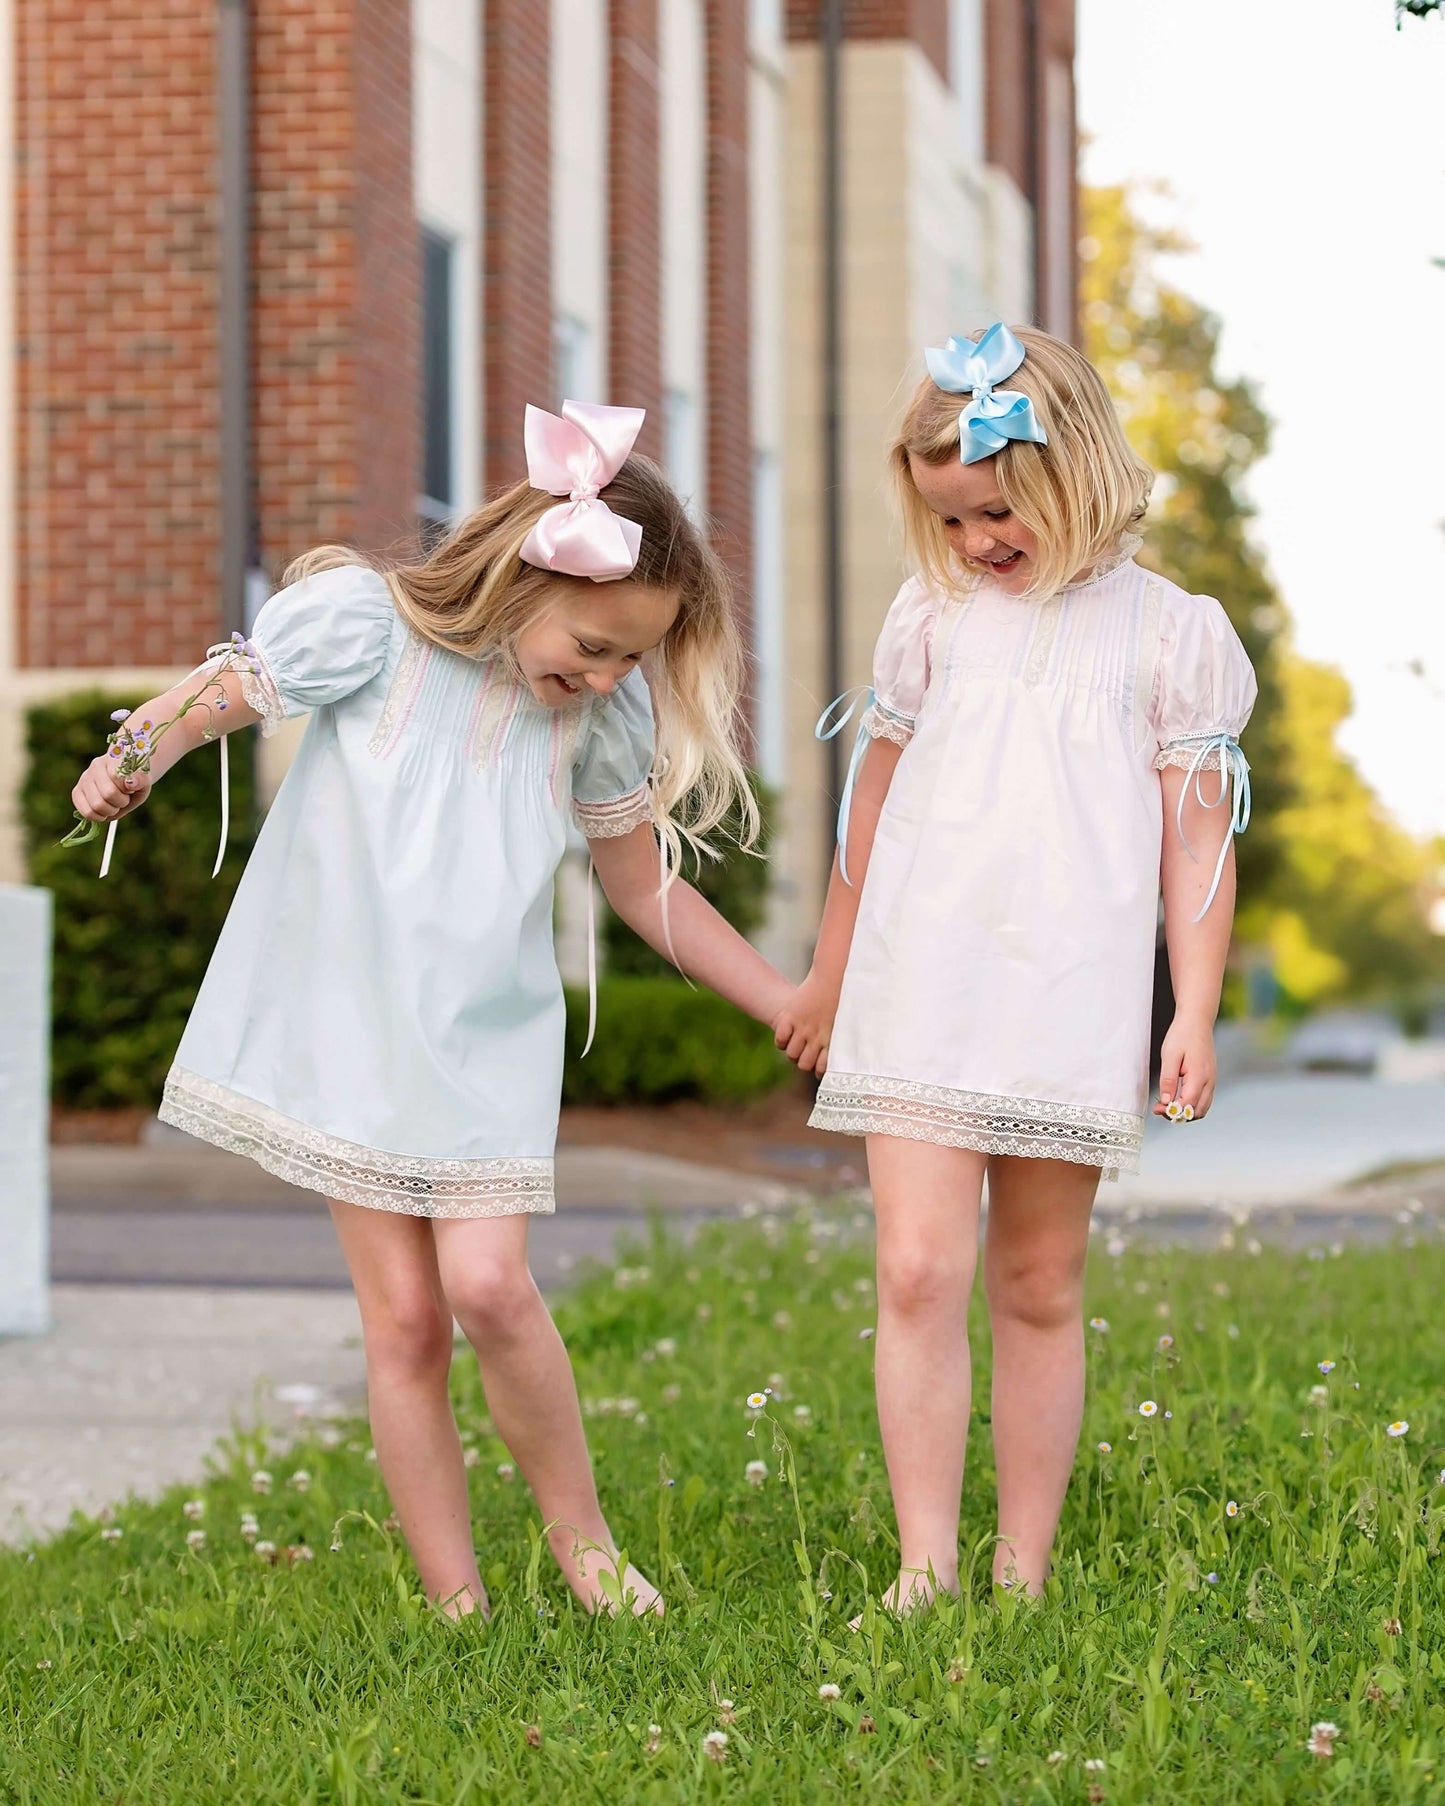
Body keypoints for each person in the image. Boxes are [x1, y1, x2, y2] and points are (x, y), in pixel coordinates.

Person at [71, 401, 795, 1619]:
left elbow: (640, 884)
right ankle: (456, 1604)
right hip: (354, 1025)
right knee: (405, 1319)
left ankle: (587, 1547)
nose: (609, 674)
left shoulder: (595, 720)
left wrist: (782, 998)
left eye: (633, 658)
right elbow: (222, 694)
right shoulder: (371, 632)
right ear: (525, 578)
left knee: (492, 1290)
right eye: (595, 641)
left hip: (482, 1036)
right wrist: (136, 754)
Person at [774, 325, 1256, 1608]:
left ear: (1075, 469)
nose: (978, 538)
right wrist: (826, 975)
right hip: (919, 976)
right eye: (953, 517)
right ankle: (922, 1564)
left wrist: (1190, 1012)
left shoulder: (1170, 636)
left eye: (996, 509)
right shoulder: (929, 615)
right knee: (916, 1268)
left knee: (1038, 1279)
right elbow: (863, 814)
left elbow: (1196, 847)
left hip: (1066, 992)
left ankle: (1021, 1565)